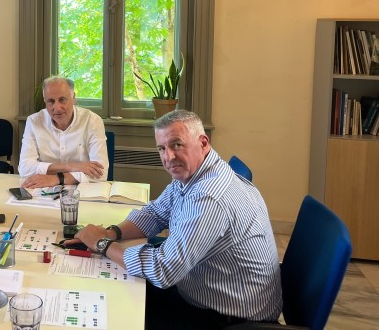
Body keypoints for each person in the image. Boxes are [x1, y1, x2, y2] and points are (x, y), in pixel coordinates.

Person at [73, 109, 282, 329]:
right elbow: (155, 213)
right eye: (162, 148)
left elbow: (164, 270)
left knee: (116, 312)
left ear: (203, 143)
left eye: (177, 145)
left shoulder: (208, 197)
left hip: (228, 319)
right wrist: (110, 233)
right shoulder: (195, 173)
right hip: (202, 289)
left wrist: (102, 244)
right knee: (119, 288)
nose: (168, 157)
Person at [19, 76, 108, 189]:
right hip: (43, 190)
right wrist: (74, 166)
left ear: (73, 98)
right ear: (45, 101)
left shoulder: (92, 120)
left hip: (83, 191)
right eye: (51, 101)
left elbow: (101, 173)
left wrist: (56, 179)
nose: (57, 108)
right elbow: (25, 169)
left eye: (62, 100)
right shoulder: (34, 121)